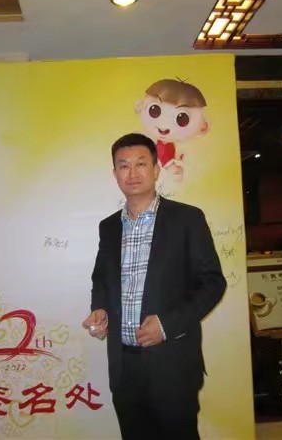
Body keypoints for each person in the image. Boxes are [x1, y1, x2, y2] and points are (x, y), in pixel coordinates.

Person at [82, 132, 226, 440]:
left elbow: (212, 282)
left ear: (156, 169)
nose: (132, 173)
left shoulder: (187, 218)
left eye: (141, 164)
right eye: (123, 166)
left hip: (172, 363)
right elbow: (101, 278)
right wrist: (100, 309)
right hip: (124, 365)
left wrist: (166, 325)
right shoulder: (109, 227)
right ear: (114, 174)